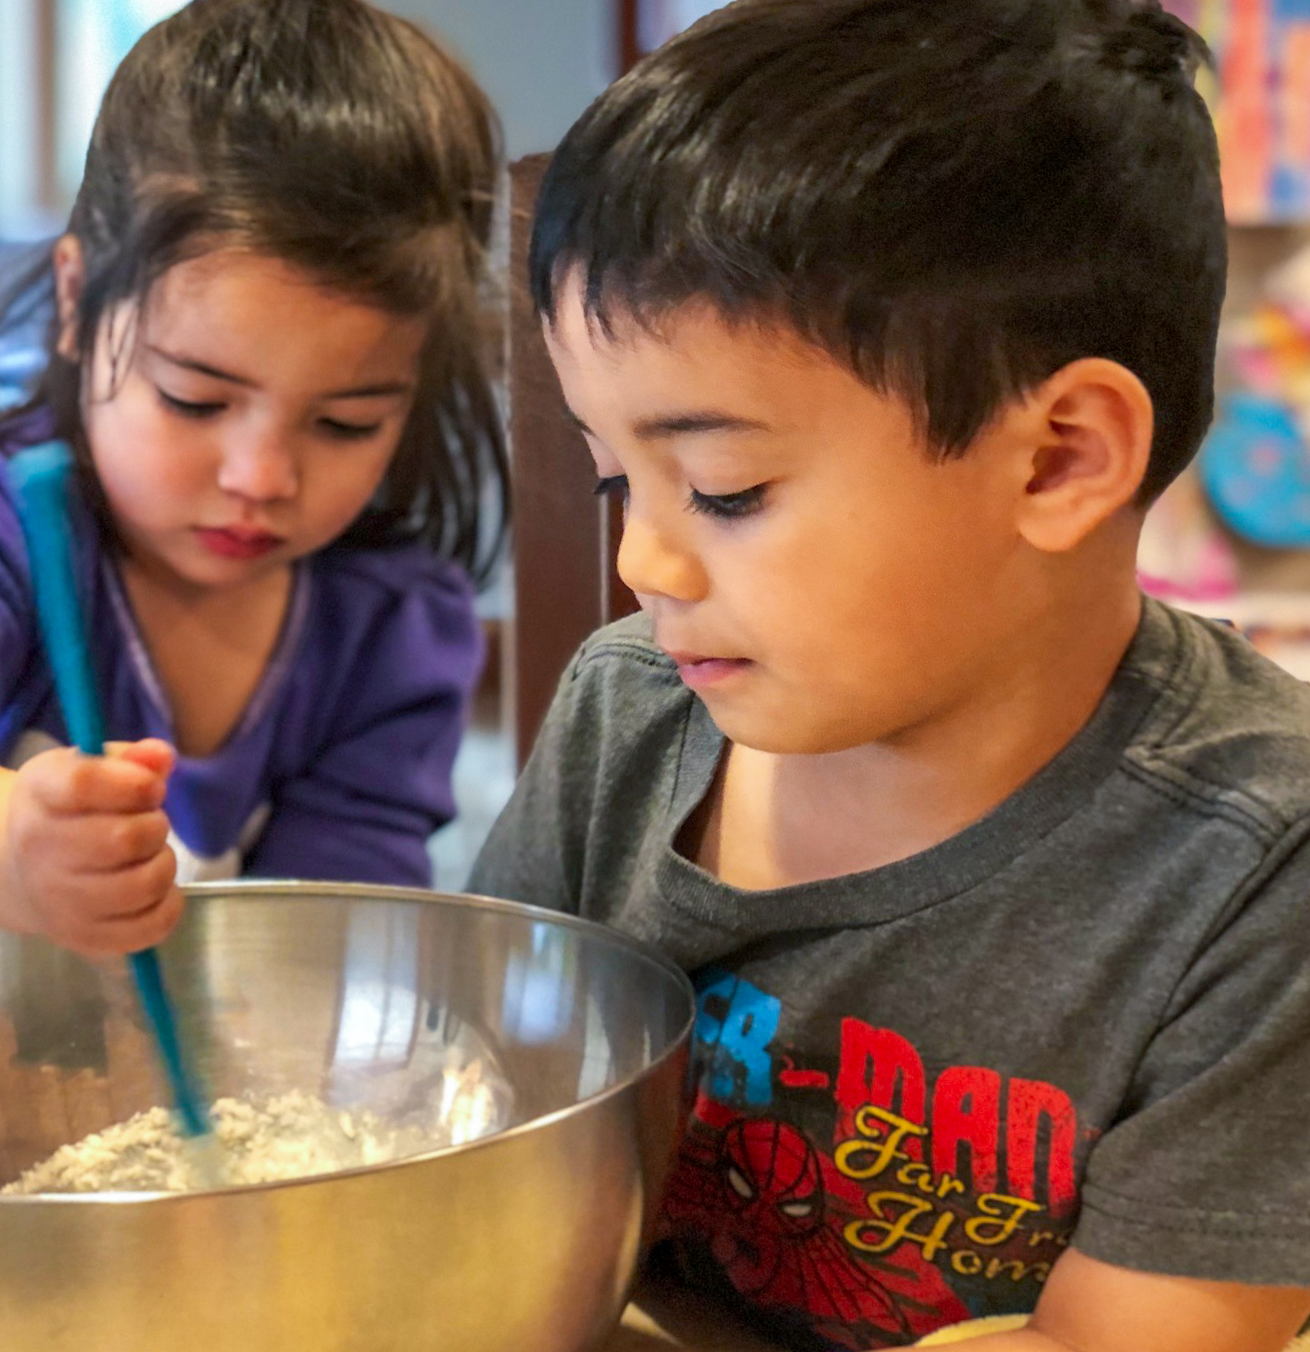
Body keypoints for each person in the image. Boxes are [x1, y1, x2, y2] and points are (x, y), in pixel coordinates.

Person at [470, 2, 1310, 1349]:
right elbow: (482, 1135)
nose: (643, 562)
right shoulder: (625, 715)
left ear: (1056, 459)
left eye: (725, 489)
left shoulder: (1256, 869)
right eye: (615, 475)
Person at [0, 0, 505, 996]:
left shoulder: (390, 628)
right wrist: (8, 845)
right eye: (195, 397)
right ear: (80, 301)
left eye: (344, 421)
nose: (260, 476)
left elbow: (318, 956)